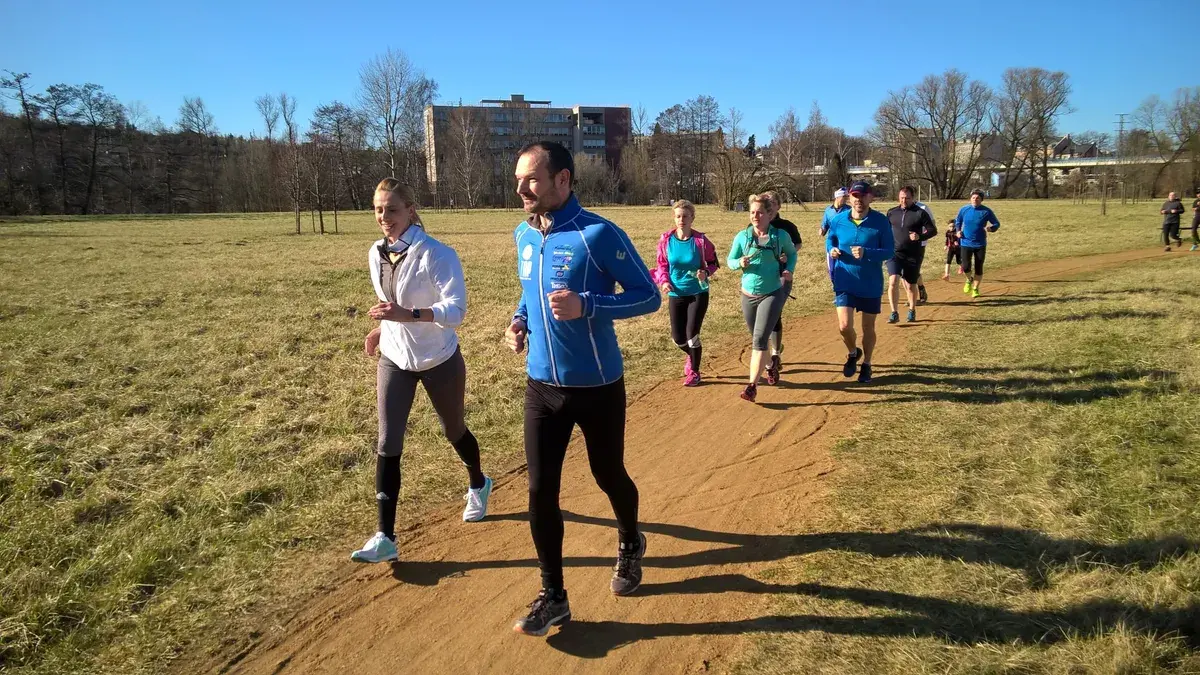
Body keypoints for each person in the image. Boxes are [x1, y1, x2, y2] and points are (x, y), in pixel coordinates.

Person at [503, 141, 660, 636]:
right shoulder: (523, 237)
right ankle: (554, 596)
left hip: (597, 386)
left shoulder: (597, 234)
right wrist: (519, 321)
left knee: (608, 474)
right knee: (539, 492)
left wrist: (588, 304)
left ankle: (631, 541)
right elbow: (531, 295)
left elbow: (649, 295)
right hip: (541, 386)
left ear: (563, 180)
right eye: (518, 180)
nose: (521, 189)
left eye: (531, 179)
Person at [351, 179, 493, 565]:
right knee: (387, 440)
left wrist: (408, 316)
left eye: (392, 210)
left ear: (411, 210)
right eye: (378, 210)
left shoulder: (437, 255)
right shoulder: (375, 253)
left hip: (438, 358)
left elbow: (457, 311)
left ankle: (479, 484)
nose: (384, 218)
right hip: (395, 358)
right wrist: (384, 328)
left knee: (454, 430)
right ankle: (385, 535)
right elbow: (390, 301)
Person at [726, 193, 797, 402]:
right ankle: (771, 365)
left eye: (759, 213)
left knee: (758, 339)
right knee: (760, 340)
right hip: (748, 295)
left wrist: (788, 269)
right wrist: (739, 263)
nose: (755, 216)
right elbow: (730, 260)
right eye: (752, 213)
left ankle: (751, 386)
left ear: (769, 214)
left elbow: (792, 253)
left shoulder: (780, 236)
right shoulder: (743, 237)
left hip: (772, 293)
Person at [826, 180, 893, 384]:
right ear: (850, 198)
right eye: (855, 196)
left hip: (870, 283)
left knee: (868, 328)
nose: (859, 200)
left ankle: (867, 364)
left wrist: (867, 253)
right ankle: (854, 352)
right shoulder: (839, 220)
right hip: (845, 280)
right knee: (844, 326)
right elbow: (831, 239)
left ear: (870, 197)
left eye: (863, 196)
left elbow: (889, 251)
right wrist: (832, 250)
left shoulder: (881, 221)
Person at [652, 200, 719, 386]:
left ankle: (695, 372)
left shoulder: (701, 241)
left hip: (698, 292)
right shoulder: (666, 240)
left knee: (692, 334)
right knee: (678, 338)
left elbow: (714, 263)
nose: (681, 219)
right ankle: (692, 355)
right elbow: (662, 265)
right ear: (674, 218)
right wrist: (664, 281)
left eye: (685, 216)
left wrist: (706, 272)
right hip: (676, 293)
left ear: (692, 218)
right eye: (678, 216)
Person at [763, 190, 801, 384]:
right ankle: (773, 350)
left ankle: (775, 354)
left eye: (771, 204)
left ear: (778, 206)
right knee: (767, 316)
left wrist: (788, 254)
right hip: (762, 279)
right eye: (765, 203)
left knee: (774, 312)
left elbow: (797, 245)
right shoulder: (757, 225)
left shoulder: (786, 227)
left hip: (782, 277)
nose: (768, 208)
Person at [885, 186, 937, 323]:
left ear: (913, 198)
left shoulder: (920, 213)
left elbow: (933, 230)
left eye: (907, 198)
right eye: (901, 197)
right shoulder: (891, 212)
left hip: (913, 253)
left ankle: (912, 310)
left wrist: (919, 236)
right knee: (893, 280)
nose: (904, 200)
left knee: (909, 285)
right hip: (894, 252)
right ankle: (894, 312)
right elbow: (884, 230)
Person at [955, 189, 1001, 298]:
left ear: (981, 200)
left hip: (980, 244)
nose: (975, 199)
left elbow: (996, 223)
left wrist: (992, 228)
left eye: (977, 198)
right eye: (973, 197)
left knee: (979, 267)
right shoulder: (964, 209)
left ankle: (975, 288)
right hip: (965, 242)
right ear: (970, 199)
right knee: (965, 266)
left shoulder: (986, 211)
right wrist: (958, 231)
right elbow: (958, 221)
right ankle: (968, 279)